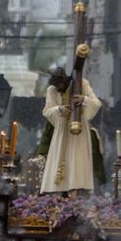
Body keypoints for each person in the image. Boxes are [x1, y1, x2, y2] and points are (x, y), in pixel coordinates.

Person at [40, 66, 101, 194]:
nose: (59, 89)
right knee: (60, 159)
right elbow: (47, 111)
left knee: (77, 160)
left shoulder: (81, 84)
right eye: (57, 87)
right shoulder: (52, 90)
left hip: (79, 130)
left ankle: (77, 189)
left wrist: (83, 99)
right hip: (62, 131)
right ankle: (62, 192)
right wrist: (59, 109)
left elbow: (96, 103)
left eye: (60, 86)